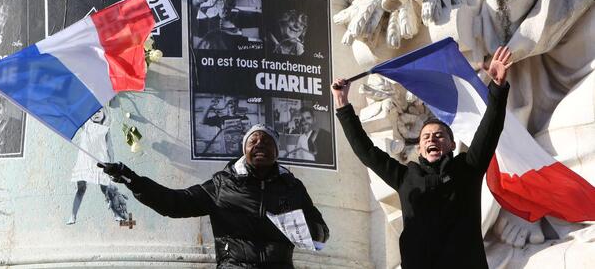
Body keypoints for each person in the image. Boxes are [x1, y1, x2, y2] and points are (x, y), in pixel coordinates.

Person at [332, 46, 512, 269]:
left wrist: (498, 88)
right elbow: (367, 152)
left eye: (439, 136)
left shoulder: (467, 169)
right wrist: (342, 105)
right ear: (419, 148)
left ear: (452, 144)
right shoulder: (405, 177)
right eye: (426, 137)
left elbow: (491, 129)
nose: (431, 140)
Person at [99, 124, 329, 268]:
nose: (260, 144)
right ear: (244, 150)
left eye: (267, 141)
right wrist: (131, 179)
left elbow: (321, 231)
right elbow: (175, 204)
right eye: (253, 141)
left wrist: (306, 230)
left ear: (276, 152)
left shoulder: (293, 187)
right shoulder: (222, 184)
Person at [68, 110, 128, 224]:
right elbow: (75, 116)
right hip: (85, 163)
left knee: (105, 189)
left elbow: (110, 148)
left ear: (104, 113)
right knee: (81, 188)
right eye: (93, 112)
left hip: (100, 162)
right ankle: (73, 215)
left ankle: (117, 214)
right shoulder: (85, 125)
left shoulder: (105, 129)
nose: (96, 114)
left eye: (99, 111)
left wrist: (112, 164)